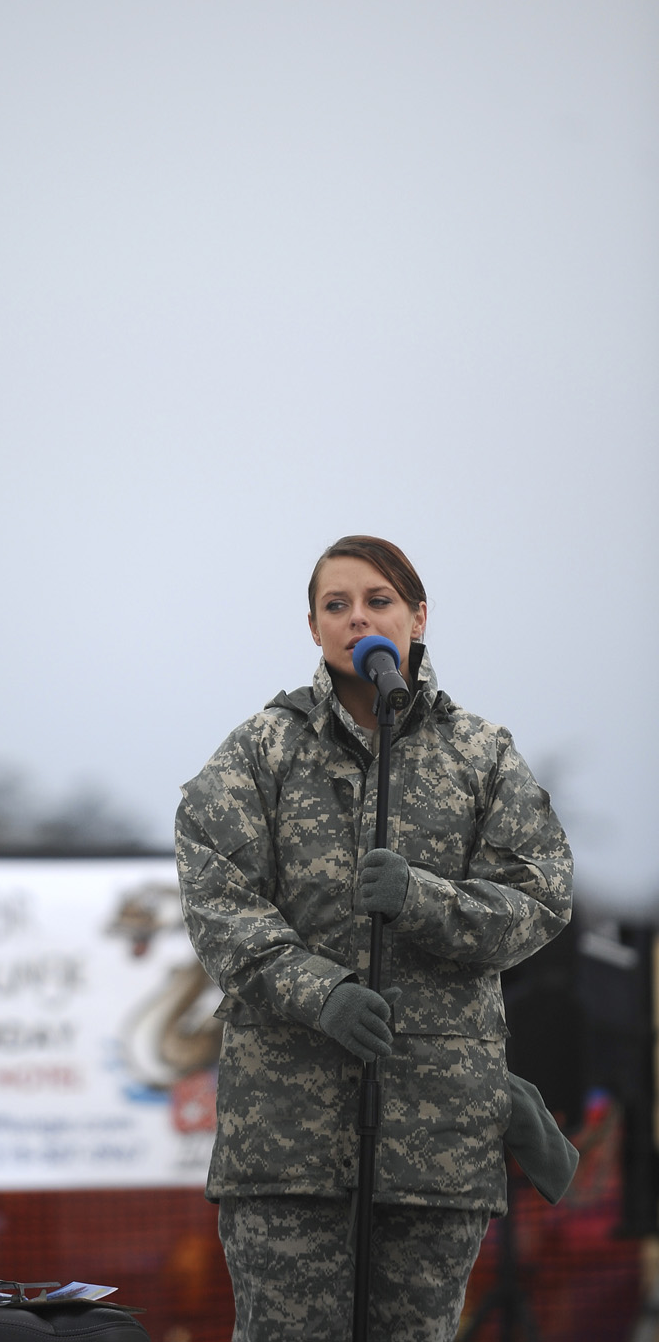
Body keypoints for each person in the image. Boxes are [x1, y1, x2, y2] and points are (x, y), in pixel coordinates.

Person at [174, 535, 573, 1342]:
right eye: (336, 604)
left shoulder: (479, 753)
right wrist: (318, 991)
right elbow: (215, 893)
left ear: (417, 617)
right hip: (288, 1137)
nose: (358, 617)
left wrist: (424, 899)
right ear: (316, 628)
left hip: (435, 1137)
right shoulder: (263, 749)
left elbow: (544, 894)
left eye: (379, 600)